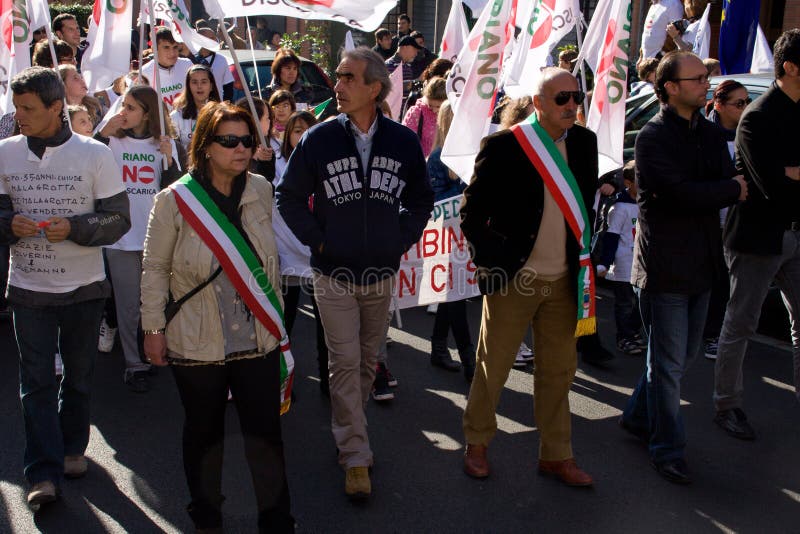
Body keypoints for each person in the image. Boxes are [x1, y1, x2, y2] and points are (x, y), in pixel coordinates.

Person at [277, 47, 433, 500]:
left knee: (367, 363)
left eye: (348, 78)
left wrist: (399, 239)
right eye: (339, 77)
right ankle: (355, 453)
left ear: (374, 88)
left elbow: (420, 199)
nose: (338, 85)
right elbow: (289, 197)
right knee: (344, 362)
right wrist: (319, 241)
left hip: (381, 273)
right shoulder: (320, 139)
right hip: (333, 274)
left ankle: (350, 427)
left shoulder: (402, 141)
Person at [140, 101, 294, 532]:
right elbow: (154, 268)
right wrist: (152, 327)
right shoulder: (174, 200)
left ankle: (277, 520)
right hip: (197, 336)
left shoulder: (261, 189)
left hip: (256, 334)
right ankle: (207, 518)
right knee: (204, 435)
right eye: (229, 141)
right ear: (205, 146)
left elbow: (270, 261)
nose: (241, 148)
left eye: (246, 139)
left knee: (266, 437)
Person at [459, 68, 598, 487]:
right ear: (537, 104)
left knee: (559, 372)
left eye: (575, 96)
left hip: (564, 281)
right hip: (513, 280)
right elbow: (472, 213)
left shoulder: (585, 142)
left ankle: (556, 455)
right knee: (493, 367)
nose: (571, 104)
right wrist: (494, 263)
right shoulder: (506, 145)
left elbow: (584, 210)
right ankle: (477, 443)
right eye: (561, 98)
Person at [0, 67, 130, 507]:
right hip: (27, 289)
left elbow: (118, 219)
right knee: (34, 382)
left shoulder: (96, 154)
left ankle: (74, 446)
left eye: (28, 108)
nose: (19, 115)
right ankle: (42, 471)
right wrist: (6, 224)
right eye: (17, 107)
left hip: (84, 290)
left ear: (57, 109)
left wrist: (76, 227)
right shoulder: (4, 152)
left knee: (78, 378)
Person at [620, 51, 747, 485]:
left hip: (705, 263)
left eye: (706, 77)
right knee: (669, 364)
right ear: (670, 87)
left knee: (680, 358)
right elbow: (678, 195)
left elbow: (715, 185)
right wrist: (727, 189)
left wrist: (718, 188)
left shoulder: (711, 135)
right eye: (696, 78)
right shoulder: (652, 137)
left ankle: (638, 416)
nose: (705, 84)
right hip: (665, 268)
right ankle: (667, 449)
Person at [713, 29, 800, 439]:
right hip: (757, 238)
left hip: (795, 234)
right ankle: (726, 405)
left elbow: (787, 181)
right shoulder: (759, 117)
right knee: (741, 323)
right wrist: (787, 175)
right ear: (791, 67)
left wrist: (792, 173)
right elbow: (771, 186)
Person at [97, 85, 183, 393]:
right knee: (128, 305)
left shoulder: (164, 143)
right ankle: (135, 364)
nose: (124, 111)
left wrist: (170, 158)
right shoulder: (109, 141)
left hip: (155, 238)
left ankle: (157, 349)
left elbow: (177, 191)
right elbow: (85, 168)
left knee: (157, 301)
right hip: (120, 238)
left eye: (131, 107)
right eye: (123, 104)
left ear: (147, 113)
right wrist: (102, 134)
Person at [274, 110, 329, 395]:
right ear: (287, 136)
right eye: (296, 131)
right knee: (285, 323)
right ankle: (284, 378)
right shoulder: (274, 163)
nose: (302, 136)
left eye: (308, 130)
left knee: (326, 325)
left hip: (318, 256)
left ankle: (328, 381)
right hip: (286, 257)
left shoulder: (327, 165)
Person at [702, 79, 749, 360]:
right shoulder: (705, 133)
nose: (745, 108)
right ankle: (708, 334)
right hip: (710, 218)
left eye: (747, 102)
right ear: (719, 104)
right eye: (739, 103)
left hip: (737, 220)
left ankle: (715, 333)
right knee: (709, 280)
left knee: (726, 283)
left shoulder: (749, 131)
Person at [428, 100, 475, 380]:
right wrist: (463, 186)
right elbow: (438, 202)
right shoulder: (437, 158)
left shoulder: (473, 155)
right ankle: (468, 356)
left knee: (451, 295)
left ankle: (438, 347)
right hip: (444, 237)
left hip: (466, 235)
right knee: (454, 294)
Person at [596, 161, 644, 355]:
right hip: (624, 264)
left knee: (641, 305)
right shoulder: (620, 208)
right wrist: (605, 263)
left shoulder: (646, 203)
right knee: (625, 304)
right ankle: (624, 337)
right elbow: (611, 237)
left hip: (642, 264)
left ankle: (632, 332)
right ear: (628, 182)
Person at [169, 64, 221, 151]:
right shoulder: (176, 116)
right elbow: (173, 150)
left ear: (211, 86)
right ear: (188, 86)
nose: (199, 86)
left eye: (204, 82)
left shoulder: (221, 114)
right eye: (194, 82)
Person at [140, 27, 194, 110]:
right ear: (154, 49)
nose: (172, 53)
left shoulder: (187, 64)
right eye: (166, 47)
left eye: (175, 47)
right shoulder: (144, 73)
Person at [402, 77, 446, 157]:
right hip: (420, 164)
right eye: (430, 106)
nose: (434, 110)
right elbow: (405, 141)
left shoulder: (449, 113)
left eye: (438, 107)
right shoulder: (416, 113)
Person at [194, 23, 235, 101]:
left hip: (218, 106)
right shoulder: (192, 61)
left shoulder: (221, 60)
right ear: (201, 40)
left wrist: (225, 105)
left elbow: (228, 86)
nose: (216, 40)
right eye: (212, 38)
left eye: (215, 37)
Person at [386, 36, 421, 118]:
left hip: (403, 116)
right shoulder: (388, 66)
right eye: (414, 50)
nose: (416, 54)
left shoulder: (408, 67)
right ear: (405, 47)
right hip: (390, 116)